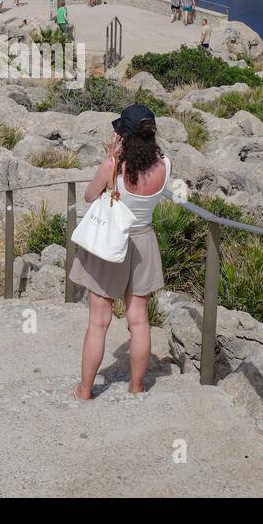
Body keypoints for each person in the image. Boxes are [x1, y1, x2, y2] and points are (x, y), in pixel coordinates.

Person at [70, 104, 169, 399]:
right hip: (144, 242)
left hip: (111, 243)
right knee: (139, 319)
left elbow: (89, 196)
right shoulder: (165, 166)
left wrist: (109, 158)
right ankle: (137, 386)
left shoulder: (114, 166)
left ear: (124, 135)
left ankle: (86, 390)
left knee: (98, 322)